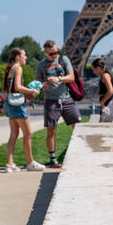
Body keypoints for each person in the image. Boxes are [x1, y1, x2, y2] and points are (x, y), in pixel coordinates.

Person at [34, 40, 80, 169]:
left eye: (56, 52)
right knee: (51, 131)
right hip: (50, 100)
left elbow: (71, 77)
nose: (54, 55)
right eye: (51, 54)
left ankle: (81, 152)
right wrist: (42, 86)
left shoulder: (63, 59)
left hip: (66, 98)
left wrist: (59, 78)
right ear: (45, 52)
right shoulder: (40, 65)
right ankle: (53, 159)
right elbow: (37, 83)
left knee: (78, 127)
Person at [2, 47, 45, 172]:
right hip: (16, 105)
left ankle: (9, 164)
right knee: (28, 134)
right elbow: (18, 87)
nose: (26, 57)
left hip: (9, 104)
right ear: (17, 57)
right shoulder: (18, 68)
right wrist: (32, 91)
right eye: (24, 55)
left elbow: (12, 88)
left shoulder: (10, 68)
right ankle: (30, 162)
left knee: (14, 134)